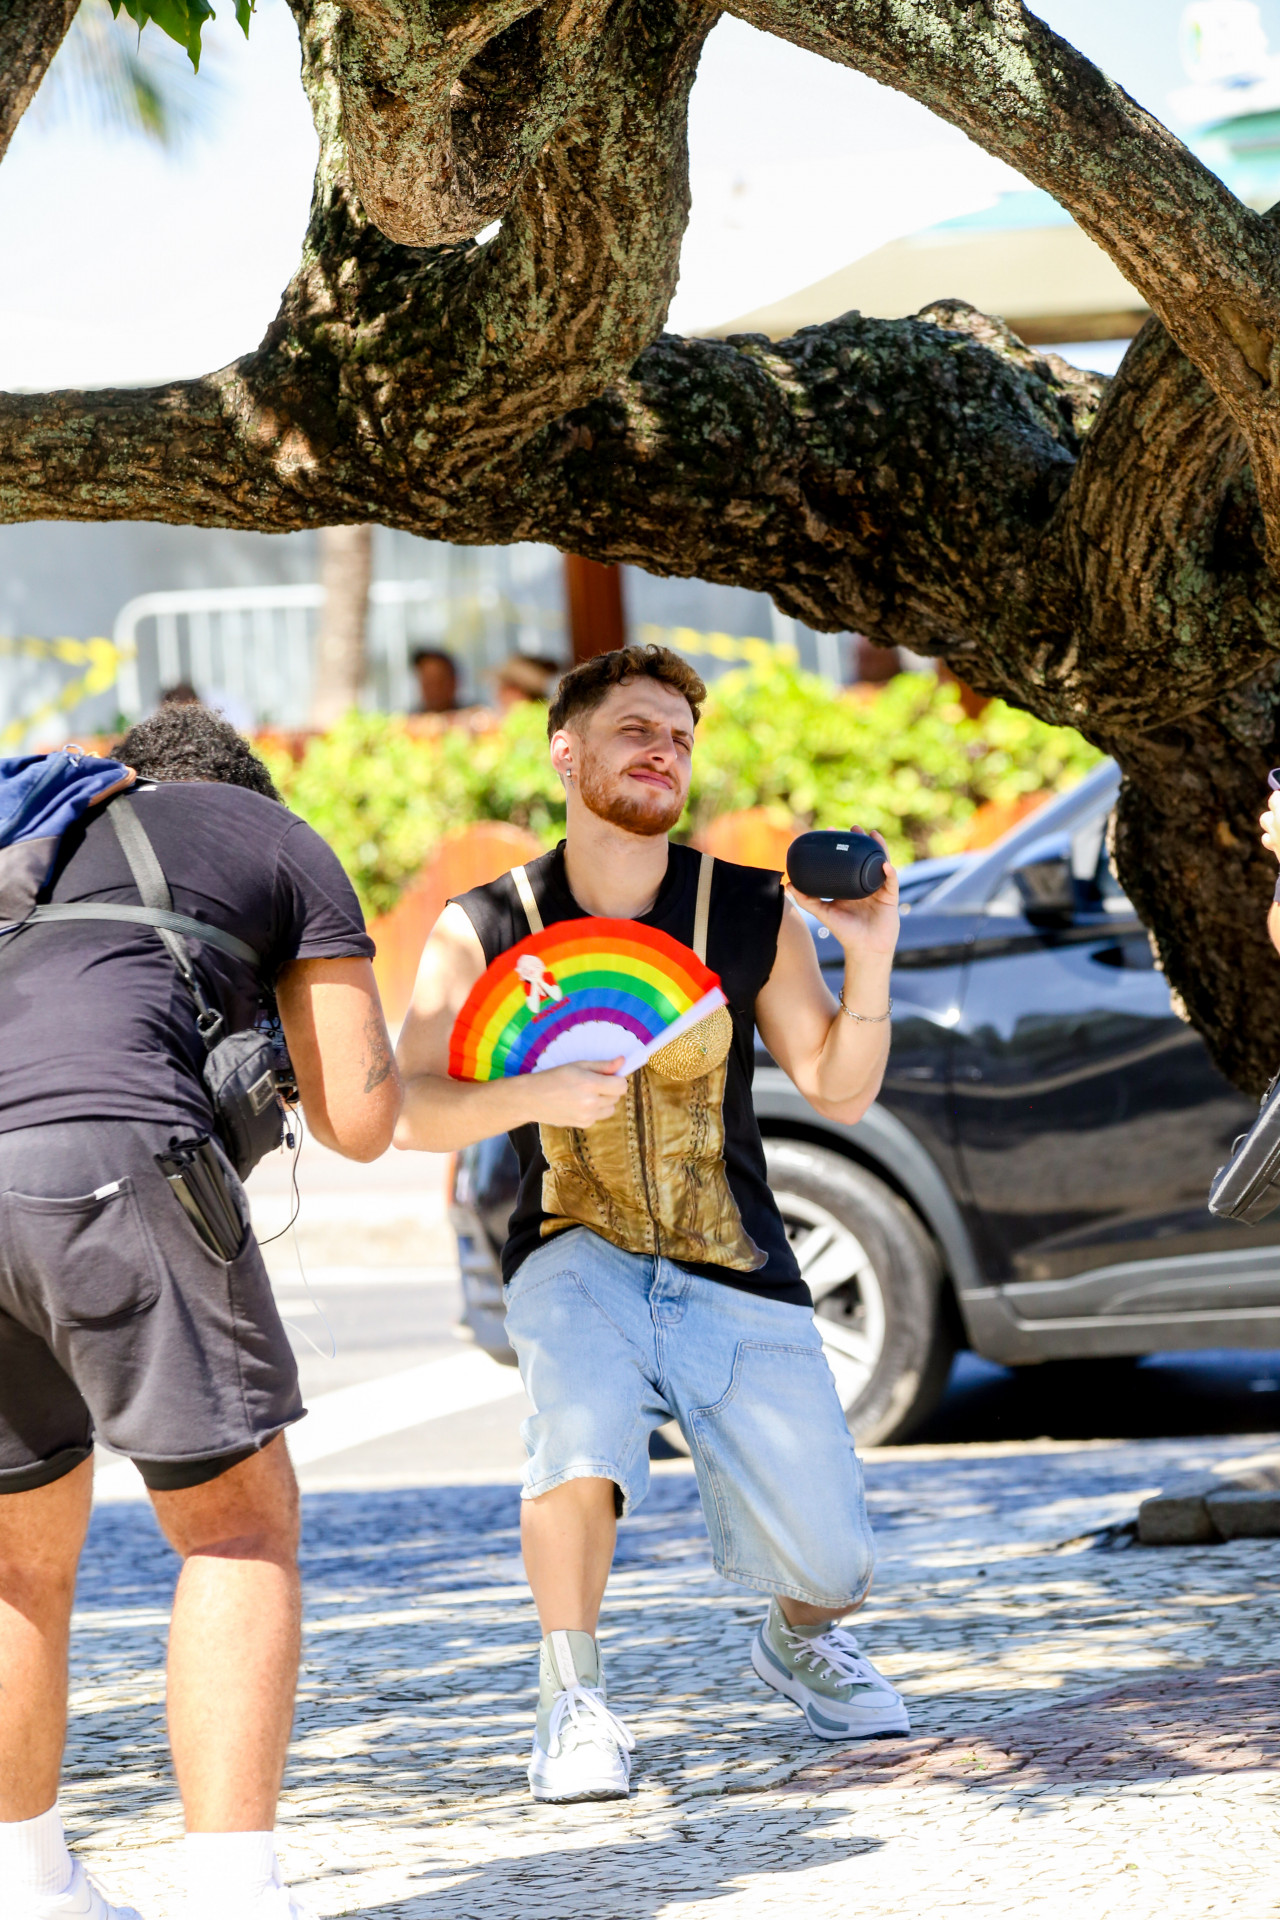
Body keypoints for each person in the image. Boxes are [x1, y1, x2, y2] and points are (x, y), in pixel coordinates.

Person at [394, 643, 906, 1805]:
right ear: (565, 750)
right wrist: (528, 1095)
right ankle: (570, 1698)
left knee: (837, 1562)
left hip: (732, 1256)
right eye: (633, 728)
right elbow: (403, 1109)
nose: (660, 751)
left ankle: (796, 1638)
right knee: (574, 1429)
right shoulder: (488, 925)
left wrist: (866, 958)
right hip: (573, 1246)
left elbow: (837, 1083)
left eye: (676, 735)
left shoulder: (744, 909)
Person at [0, 706, 402, 1920]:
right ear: (245, 790)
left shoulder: (34, 843)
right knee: (235, 1529)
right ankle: (236, 1900)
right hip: (113, 1155)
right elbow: (363, 1120)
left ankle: (31, 1888)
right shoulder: (267, 835)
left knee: (15, 1554)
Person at [409, 646, 460, 714]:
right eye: (428, 683)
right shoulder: (410, 720)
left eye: (439, 682)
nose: (434, 689)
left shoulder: (472, 717)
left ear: (454, 682)